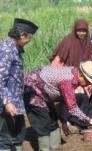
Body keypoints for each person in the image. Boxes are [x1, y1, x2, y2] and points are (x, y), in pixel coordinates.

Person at [23, 61, 92, 151]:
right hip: (33, 91)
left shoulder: (73, 75)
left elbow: (65, 99)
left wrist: (63, 121)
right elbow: (73, 108)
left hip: (45, 93)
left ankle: (55, 148)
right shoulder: (67, 81)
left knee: (53, 123)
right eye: (88, 81)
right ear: (81, 75)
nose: (88, 84)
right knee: (43, 124)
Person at [0, 18, 38, 151]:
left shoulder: (15, 48)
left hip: (15, 100)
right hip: (6, 102)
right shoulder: (6, 49)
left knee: (18, 134)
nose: (28, 42)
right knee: (4, 138)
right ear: (22, 35)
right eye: (29, 38)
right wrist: (7, 102)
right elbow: (0, 78)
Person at [50, 19, 92, 131]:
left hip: (82, 76)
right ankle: (67, 120)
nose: (81, 33)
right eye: (79, 31)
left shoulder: (88, 42)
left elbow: (91, 62)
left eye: (84, 31)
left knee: (83, 98)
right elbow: (58, 60)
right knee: (70, 98)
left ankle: (80, 121)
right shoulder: (68, 41)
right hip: (67, 76)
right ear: (75, 30)